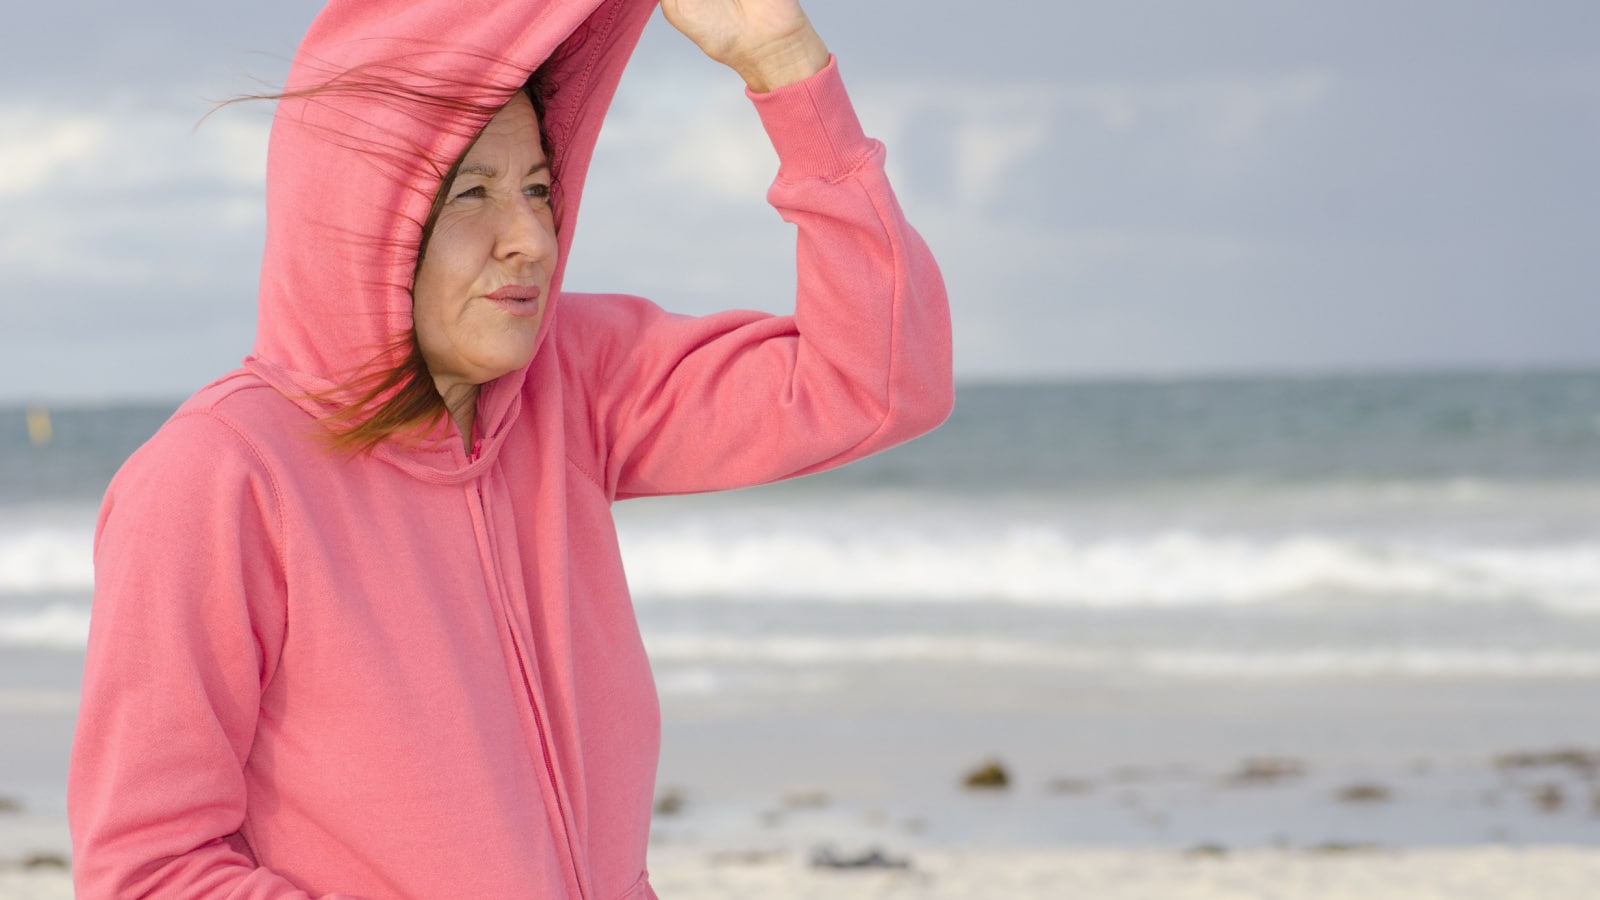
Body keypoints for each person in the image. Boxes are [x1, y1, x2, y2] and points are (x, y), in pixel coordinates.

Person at [67, 0, 952, 896]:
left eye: (537, 187)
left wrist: (784, 66)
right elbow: (147, 871)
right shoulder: (216, 480)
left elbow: (878, 381)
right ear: (362, 218)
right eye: (473, 194)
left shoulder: (576, 383)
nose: (530, 238)